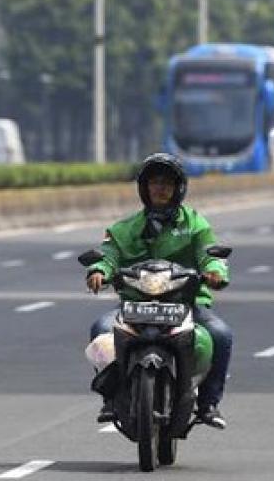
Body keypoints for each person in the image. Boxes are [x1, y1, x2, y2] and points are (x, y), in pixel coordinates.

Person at [85, 152, 233, 429]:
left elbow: (210, 255)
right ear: (144, 188)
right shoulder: (124, 228)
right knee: (100, 329)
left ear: (179, 188)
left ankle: (209, 404)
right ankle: (110, 396)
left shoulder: (196, 225)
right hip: (134, 305)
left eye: (166, 183)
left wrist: (215, 272)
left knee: (220, 335)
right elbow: (108, 255)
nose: (160, 188)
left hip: (186, 304)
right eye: (154, 183)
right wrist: (98, 272)